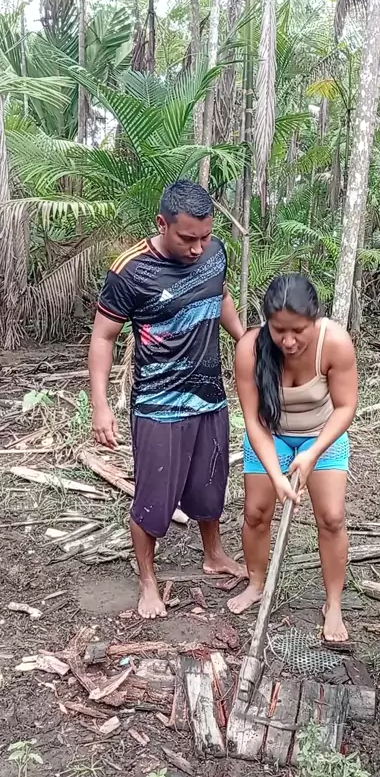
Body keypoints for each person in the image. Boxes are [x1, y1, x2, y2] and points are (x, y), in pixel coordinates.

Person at [88, 180, 245, 619]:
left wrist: (244, 338)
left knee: (210, 485)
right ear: (162, 224)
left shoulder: (215, 253)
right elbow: (103, 337)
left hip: (210, 399)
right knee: (153, 499)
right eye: (187, 238)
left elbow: (220, 295)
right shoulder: (130, 270)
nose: (198, 248)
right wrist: (100, 404)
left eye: (205, 237)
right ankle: (148, 580)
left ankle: (213, 553)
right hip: (158, 406)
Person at [228, 273, 358, 642]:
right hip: (270, 435)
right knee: (256, 513)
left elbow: (346, 407)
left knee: (332, 518)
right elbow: (254, 421)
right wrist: (277, 475)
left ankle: (333, 603)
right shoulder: (250, 348)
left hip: (322, 435)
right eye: (279, 330)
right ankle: (256, 583)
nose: (288, 341)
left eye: (298, 330)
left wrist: (313, 453)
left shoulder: (335, 343)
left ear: (315, 318)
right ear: (266, 322)